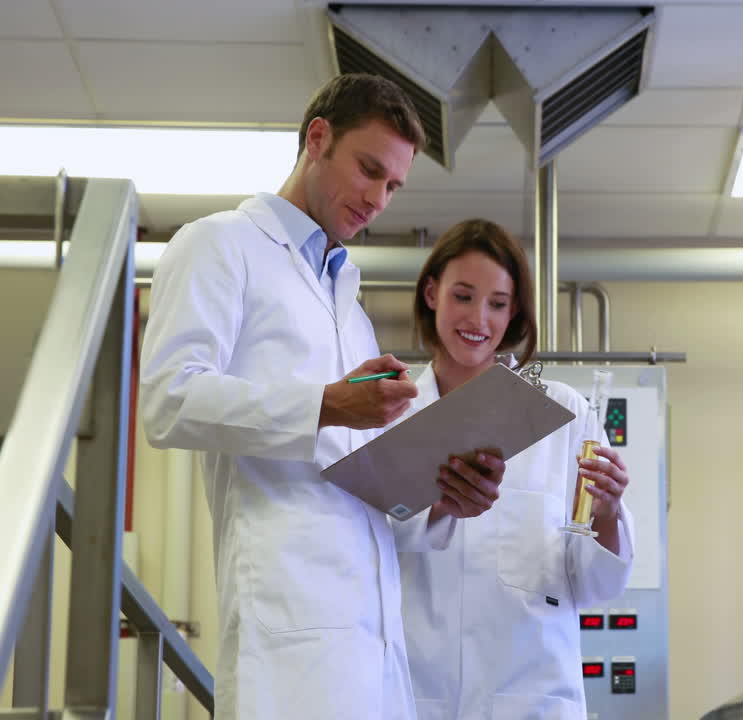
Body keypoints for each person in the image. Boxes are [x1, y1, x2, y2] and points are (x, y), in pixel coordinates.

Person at [139, 74, 504, 720]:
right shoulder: (220, 246)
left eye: (393, 186)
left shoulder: (347, 306)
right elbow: (168, 401)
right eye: (368, 170)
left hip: (377, 649)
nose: (378, 200)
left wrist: (443, 498)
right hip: (289, 640)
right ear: (317, 139)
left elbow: (366, 490)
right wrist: (327, 405)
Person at [396, 218, 636, 720]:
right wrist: (436, 506)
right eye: (463, 295)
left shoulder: (562, 415)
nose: (478, 318)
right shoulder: (392, 415)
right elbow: (364, 549)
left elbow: (593, 586)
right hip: (416, 697)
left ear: (514, 313)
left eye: (498, 304)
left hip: (533, 699)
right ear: (431, 292)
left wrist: (608, 514)